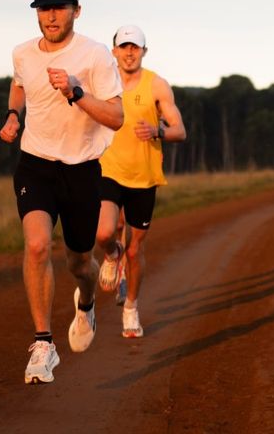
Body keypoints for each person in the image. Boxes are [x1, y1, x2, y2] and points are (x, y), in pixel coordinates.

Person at [0, 0, 124, 385]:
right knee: (36, 245)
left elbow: (116, 117)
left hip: (82, 170)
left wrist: (75, 92)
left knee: (79, 263)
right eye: (43, 8)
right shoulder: (22, 53)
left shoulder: (95, 56)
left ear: (76, 11)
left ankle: (86, 303)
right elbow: (19, 87)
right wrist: (14, 116)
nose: (51, 16)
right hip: (36, 164)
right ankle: (43, 344)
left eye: (59, 8)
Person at [94, 24, 187, 338]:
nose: (129, 52)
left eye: (135, 47)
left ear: (143, 51)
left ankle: (131, 308)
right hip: (108, 169)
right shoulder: (103, 83)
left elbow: (180, 130)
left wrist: (157, 131)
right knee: (105, 231)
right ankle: (110, 254)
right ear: (114, 51)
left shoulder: (157, 85)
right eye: (124, 47)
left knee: (135, 251)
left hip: (144, 178)